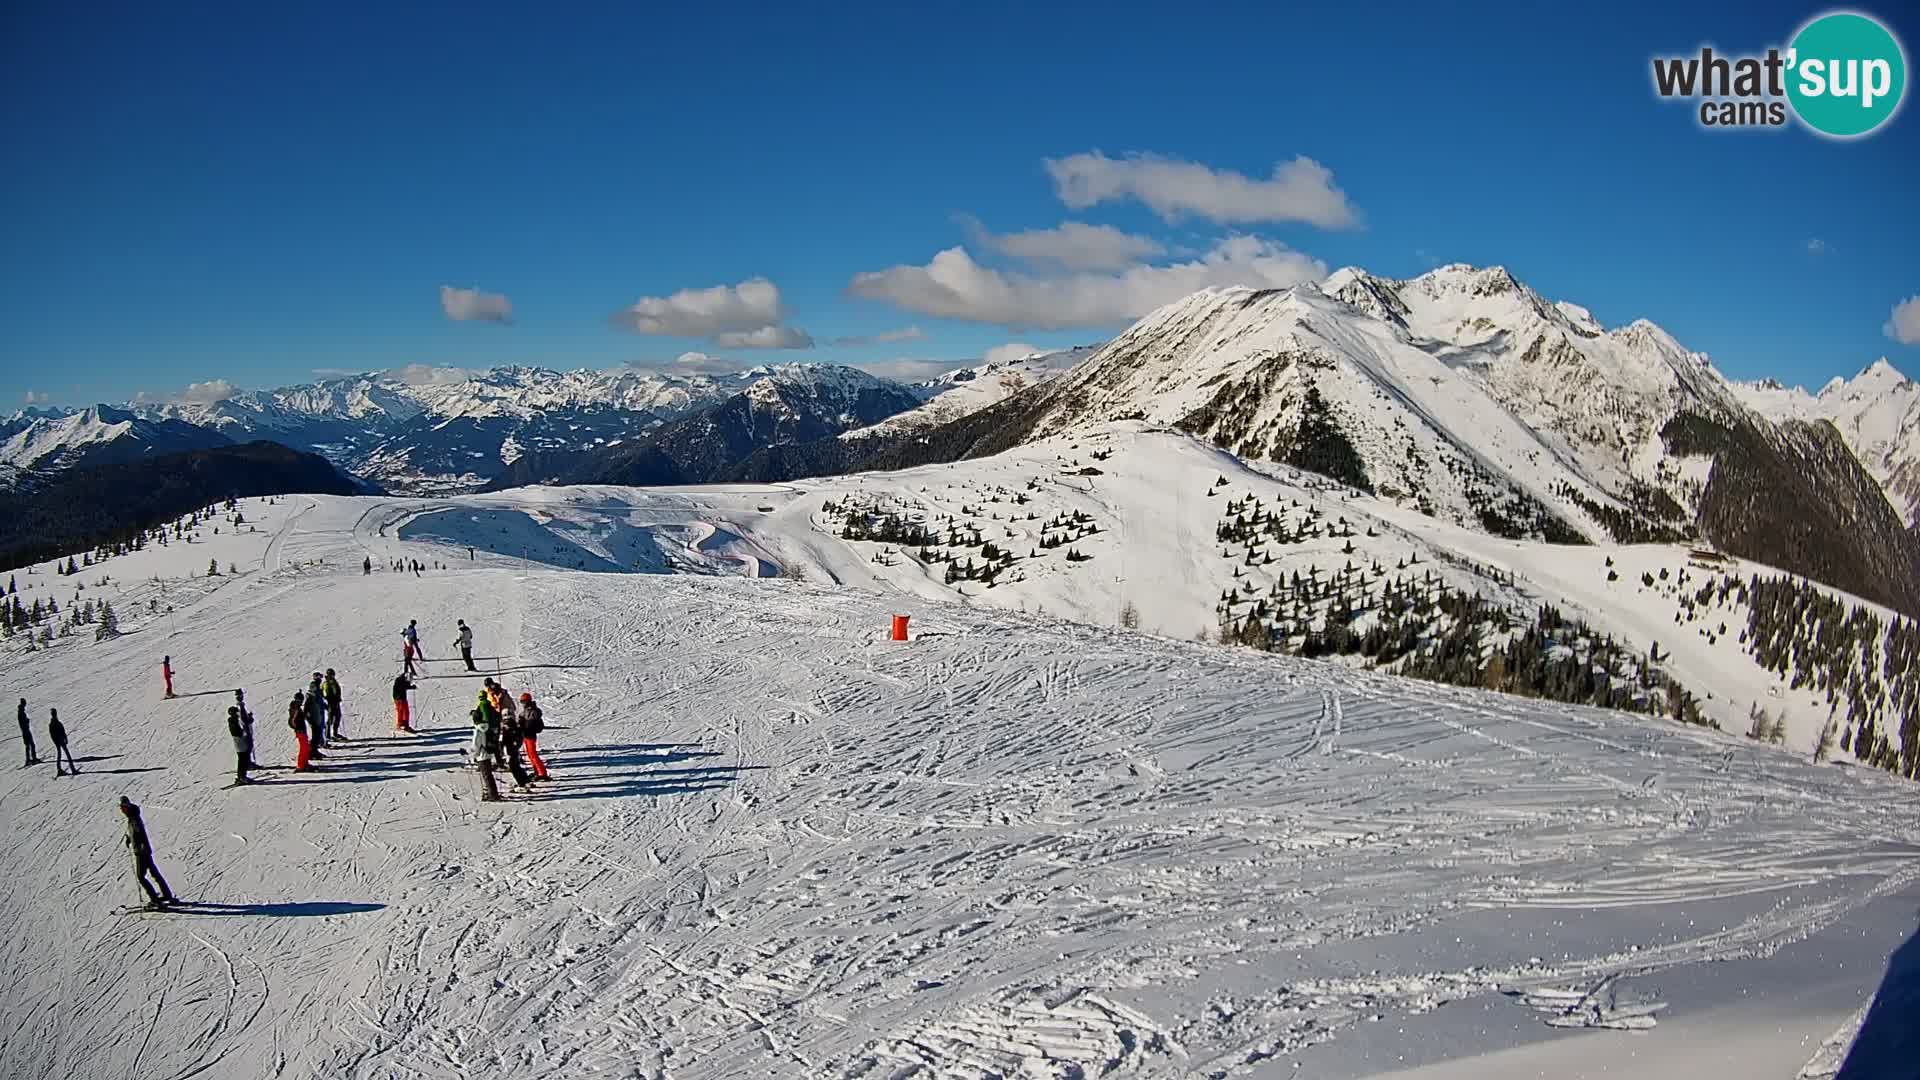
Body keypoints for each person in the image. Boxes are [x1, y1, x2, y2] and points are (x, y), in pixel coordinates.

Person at [119, 797, 175, 909]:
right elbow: (136, 833)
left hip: (141, 852)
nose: (122, 810)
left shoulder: (134, 818)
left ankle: (155, 900)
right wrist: (130, 838)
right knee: (154, 873)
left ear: (128, 806)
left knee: (140, 876)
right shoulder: (133, 816)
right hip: (144, 850)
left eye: (124, 807)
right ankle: (167, 895)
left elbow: (139, 833)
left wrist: (138, 846)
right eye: (121, 808)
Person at [497, 698, 534, 791]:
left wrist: (501, 752)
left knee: (513, 767)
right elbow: (520, 737)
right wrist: (517, 745)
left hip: (509, 750)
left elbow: (502, 741)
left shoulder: (505, 727)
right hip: (515, 749)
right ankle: (525, 780)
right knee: (517, 766)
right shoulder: (515, 725)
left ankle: (522, 784)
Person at [469, 702, 502, 803]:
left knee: (486, 776)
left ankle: (493, 794)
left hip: (481, 756)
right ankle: (492, 792)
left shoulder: (478, 731)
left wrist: (471, 755)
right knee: (489, 775)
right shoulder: (486, 727)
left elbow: (476, 746)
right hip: (488, 753)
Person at [519, 692, 550, 781]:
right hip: (526, 734)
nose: (523, 704)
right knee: (530, 754)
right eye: (522, 702)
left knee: (533, 755)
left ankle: (542, 773)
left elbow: (530, 723)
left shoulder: (532, 711)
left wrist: (523, 724)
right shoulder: (527, 710)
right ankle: (537, 770)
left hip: (530, 735)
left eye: (524, 702)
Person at [226, 706, 253, 785]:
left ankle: (242, 776)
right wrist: (243, 733)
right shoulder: (232, 721)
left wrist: (249, 718)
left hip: (242, 742)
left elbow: (245, 723)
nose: (238, 713)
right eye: (236, 712)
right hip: (240, 743)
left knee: (244, 760)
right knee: (242, 760)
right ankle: (241, 777)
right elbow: (236, 732)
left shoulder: (237, 720)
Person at [288, 692, 313, 771]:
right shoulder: (295, 708)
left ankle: (305, 763)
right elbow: (291, 721)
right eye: (300, 700)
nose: (301, 702)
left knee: (306, 748)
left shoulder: (297, 708)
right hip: (300, 731)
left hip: (302, 730)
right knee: (303, 748)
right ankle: (301, 765)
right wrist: (297, 728)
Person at [235, 690, 259, 769]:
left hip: (244, 729)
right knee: (248, 746)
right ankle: (248, 764)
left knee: (248, 747)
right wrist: (250, 719)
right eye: (240, 695)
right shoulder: (240, 706)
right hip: (245, 729)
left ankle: (248, 763)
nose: (241, 697)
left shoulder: (239, 706)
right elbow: (244, 720)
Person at [305, 673, 328, 755]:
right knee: (316, 734)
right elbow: (306, 707)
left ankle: (316, 747)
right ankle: (312, 750)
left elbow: (320, 702)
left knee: (319, 732)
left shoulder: (317, 693)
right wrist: (307, 717)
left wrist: (325, 706)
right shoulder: (311, 696)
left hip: (319, 715)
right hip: (314, 717)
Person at [49, 709, 77, 775]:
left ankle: (59, 769)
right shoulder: (56, 723)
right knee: (67, 754)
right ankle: (72, 769)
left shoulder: (53, 724)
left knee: (60, 755)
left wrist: (57, 742)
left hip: (58, 741)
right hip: (60, 741)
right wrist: (64, 739)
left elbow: (53, 735)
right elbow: (61, 732)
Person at [323, 669, 344, 740]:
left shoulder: (334, 682)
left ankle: (335, 733)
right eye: (331, 674)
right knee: (330, 719)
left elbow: (337, 691)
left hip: (336, 703)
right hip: (331, 704)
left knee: (337, 717)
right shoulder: (326, 683)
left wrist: (338, 698)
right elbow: (326, 694)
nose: (332, 676)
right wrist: (332, 699)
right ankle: (327, 735)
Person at [17, 698, 38, 767]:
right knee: (31, 745)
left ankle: (29, 759)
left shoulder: (21, 712)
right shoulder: (21, 713)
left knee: (28, 745)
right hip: (26, 731)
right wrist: (27, 721)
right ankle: (32, 759)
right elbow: (23, 723)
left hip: (25, 731)